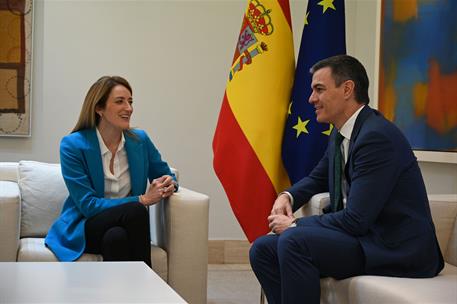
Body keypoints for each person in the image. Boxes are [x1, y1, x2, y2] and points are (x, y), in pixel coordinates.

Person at [249, 55, 444, 304]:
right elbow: (317, 177)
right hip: (366, 238)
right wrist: (287, 196)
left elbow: (356, 220)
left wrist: (295, 225)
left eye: (319, 89)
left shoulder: (376, 138)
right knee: (262, 250)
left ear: (347, 89)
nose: (311, 99)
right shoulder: (342, 133)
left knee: (294, 240)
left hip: (395, 248)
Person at [45, 76, 177, 267]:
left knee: (116, 238)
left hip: (124, 227)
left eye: (130, 102)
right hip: (86, 225)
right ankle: (148, 291)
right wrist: (143, 200)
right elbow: (88, 206)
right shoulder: (73, 145)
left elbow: (165, 174)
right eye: (119, 101)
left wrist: (167, 185)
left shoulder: (140, 140)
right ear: (99, 109)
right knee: (136, 209)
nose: (129, 108)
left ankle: (119, 296)